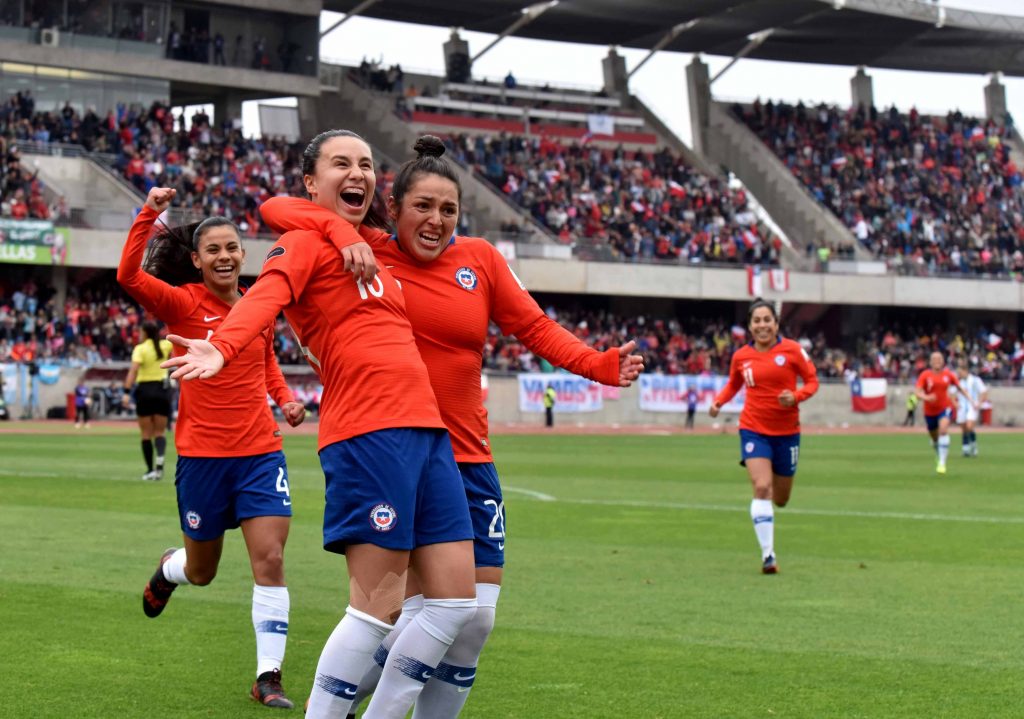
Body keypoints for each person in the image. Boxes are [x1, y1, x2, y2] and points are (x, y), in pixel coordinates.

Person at [258, 134, 644, 718]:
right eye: (423, 207)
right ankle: (352, 697)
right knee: (402, 608)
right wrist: (341, 231)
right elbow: (280, 209)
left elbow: (535, 328)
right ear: (393, 209)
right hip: (393, 446)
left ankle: (358, 688)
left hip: (467, 454)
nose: (436, 220)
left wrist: (597, 364)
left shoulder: (481, 259)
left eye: (449, 210)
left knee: (472, 618)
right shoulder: (367, 247)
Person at [161, 129, 478, 719]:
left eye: (365, 164)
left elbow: (412, 229)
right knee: (376, 607)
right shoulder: (302, 243)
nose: (358, 172)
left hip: (427, 430)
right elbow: (265, 293)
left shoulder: (373, 246)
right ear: (312, 182)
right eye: (340, 163)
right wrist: (223, 347)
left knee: (455, 606)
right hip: (369, 431)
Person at [117, 187, 307, 709]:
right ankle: (170, 568)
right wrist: (149, 212)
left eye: (232, 247)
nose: (224, 256)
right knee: (203, 571)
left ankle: (268, 675)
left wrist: (286, 401)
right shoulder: (181, 303)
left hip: (260, 454)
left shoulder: (258, 307)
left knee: (269, 558)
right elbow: (129, 277)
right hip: (202, 459)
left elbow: (266, 364)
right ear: (197, 260)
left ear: (243, 254)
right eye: (213, 250)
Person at [709, 299, 819, 574]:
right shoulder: (741, 356)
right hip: (753, 429)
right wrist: (719, 402)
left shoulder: (793, 350)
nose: (762, 326)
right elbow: (734, 383)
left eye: (766, 320)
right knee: (761, 487)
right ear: (749, 326)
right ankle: (768, 556)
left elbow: (813, 381)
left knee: (781, 498)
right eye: (756, 321)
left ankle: (769, 527)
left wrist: (795, 397)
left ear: (776, 323)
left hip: (787, 433)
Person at [123, 321, 173, 481]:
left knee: (146, 433)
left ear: (145, 333)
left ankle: (150, 470)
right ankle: (159, 467)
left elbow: (133, 370)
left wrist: (126, 391)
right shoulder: (165, 345)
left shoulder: (140, 349)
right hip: (162, 391)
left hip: (145, 391)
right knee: (160, 432)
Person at [914, 351, 969, 474]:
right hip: (929, 410)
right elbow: (917, 392)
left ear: (943, 361)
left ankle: (942, 463)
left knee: (943, 430)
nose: (937, 361)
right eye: (934, 359)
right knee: (934, 437)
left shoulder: (948, 375)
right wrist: (927, 398)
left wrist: (971, 400)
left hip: (945, 407)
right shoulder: (925, 375)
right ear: (930, 361)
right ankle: (938, 451)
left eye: (939, 359)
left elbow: (960, 388)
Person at [955, 359, 987, 458]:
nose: (959, 374)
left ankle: (973, 446)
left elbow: (984, 392)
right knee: (964, 428)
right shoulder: (957, 382)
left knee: (969, 426)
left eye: (960, 372)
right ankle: (966, 448)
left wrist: (979, 403)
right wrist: (955, 403)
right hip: (961, 407)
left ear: (965, 371)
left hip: (972, 406)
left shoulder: (975, 380)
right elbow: (951, 394)